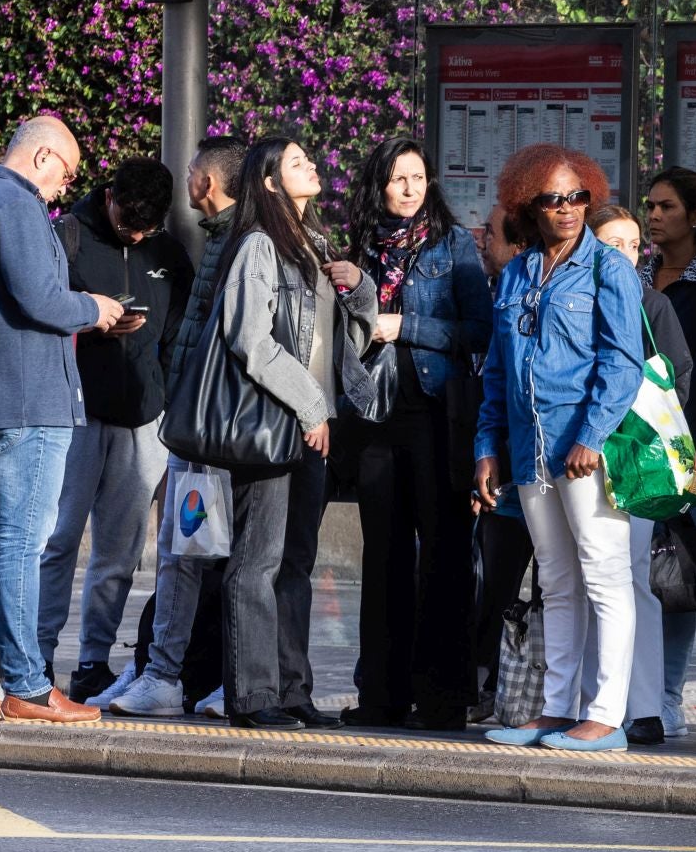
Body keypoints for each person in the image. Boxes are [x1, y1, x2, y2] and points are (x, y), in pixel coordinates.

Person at [0, 116, 126, 723]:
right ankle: (26, 686)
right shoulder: (16, 206)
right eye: (64, 174)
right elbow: (40, 299)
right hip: (28, 395)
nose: (62, 189)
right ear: (42, 156)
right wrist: (94, 307)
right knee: (21, 542)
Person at [474, 144, 645, 753]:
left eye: (579, 196)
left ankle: (605, 714)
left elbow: (622, 364)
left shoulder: (609, 270)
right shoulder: (517, 273)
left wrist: (592, 437)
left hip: (582, 450)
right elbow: (497, 370)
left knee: (605, 576)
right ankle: (554, 709)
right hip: (527, 450)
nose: (570, 208)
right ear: (530, 205)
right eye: (555, 198)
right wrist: (486, 446)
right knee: (556, 583)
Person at [216, 137, 377, 731]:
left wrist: (359, 289)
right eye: (296, 161)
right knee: (257, 560)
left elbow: (343, 346)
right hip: (275, 423)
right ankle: (254, 695)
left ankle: (292, 690)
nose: (312, 164)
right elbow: (251, 340)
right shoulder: (259, 246)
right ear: (269, 182)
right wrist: (311, 407)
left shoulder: (316, 246)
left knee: (296, 564)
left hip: (316, 425)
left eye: (311, 157)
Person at [338, 137, 491, 731]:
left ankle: (444, 699)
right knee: (384, 559)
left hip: (435, 416)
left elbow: (478, 331)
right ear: (379, 186)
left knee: (446, 557)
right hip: (373, 419)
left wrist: (406, 326)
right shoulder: (360, 252)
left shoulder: (452, 246)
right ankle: (380, 695)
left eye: (418, 177)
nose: (409, 188)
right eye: (397, 178)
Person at [36, 157, 195, 702]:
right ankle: (35, 659)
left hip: (144, 417)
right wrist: (92, 317)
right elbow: (38, 313)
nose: (135, 234)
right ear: (108, 194)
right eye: (128, 222)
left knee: (119, 553)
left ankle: (92, 663)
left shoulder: (168, 253)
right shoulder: (67, 236)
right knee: (55, 541)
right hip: (74, 411)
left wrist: (170, 403)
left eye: (146, 228)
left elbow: (179, 337)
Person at [111, 136, 246, 718]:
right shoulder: (220, 241)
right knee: (184, 552)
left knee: (197, 555)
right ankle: (158, 670)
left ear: (206, 184)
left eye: (193, 170)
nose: (187, 177)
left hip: (215, 429)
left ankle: (179, 675)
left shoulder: (238, 244)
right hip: (197, 425)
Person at [592, 204, 693, 744]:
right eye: (614, 244)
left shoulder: (651, 304)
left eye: (634, 245)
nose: (627, 255)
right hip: (578, 456)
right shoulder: (574, 300)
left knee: (633, 577)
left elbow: (679, 377)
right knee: (586, 580)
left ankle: (646, 705)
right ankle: (592, 699)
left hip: (635, 458)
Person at [637, 166, 696, 736]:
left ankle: (668, 695)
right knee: (628, 571)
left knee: (673, 568)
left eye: (666, 207)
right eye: (650, 205)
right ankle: (635, 689)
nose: (654, 216)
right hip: (633, 447)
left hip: (690, 449)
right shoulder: (635, 271)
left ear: (694, 217)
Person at [471, 200, 531, 718]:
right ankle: (493, 688)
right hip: (502, 475)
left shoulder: (531, 289)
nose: (479, 239)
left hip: (541, 468)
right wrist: (485, 453)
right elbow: (492, 382)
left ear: (516, 246)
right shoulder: (500, 292)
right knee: (497, 588)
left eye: (489, 232)